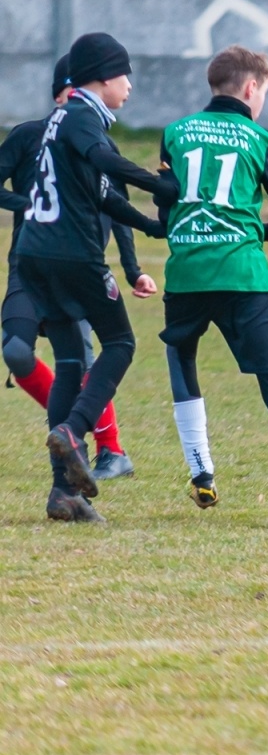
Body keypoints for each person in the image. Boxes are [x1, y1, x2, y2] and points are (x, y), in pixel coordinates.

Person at [156, 45, 268, 526]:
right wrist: (252, 233)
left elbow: (165, 211)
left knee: (181, 354)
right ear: (252, 87)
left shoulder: (174, 134)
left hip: (187, 271)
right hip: (243, 274)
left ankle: (201, 474)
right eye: (265, 92)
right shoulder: (258, 137)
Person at [14, 33, 171, 522]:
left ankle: (64, 495)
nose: (129, 86)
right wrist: (163, 183)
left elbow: (102, 190)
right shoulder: (83, 116)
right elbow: (107, 165)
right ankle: (74, 432)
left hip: (33, 256)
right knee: (121, 343)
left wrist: (151, 225)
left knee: (67, 361)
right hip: (72, 256)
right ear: (103, 77)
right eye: (124, 75)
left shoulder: (62, 120)